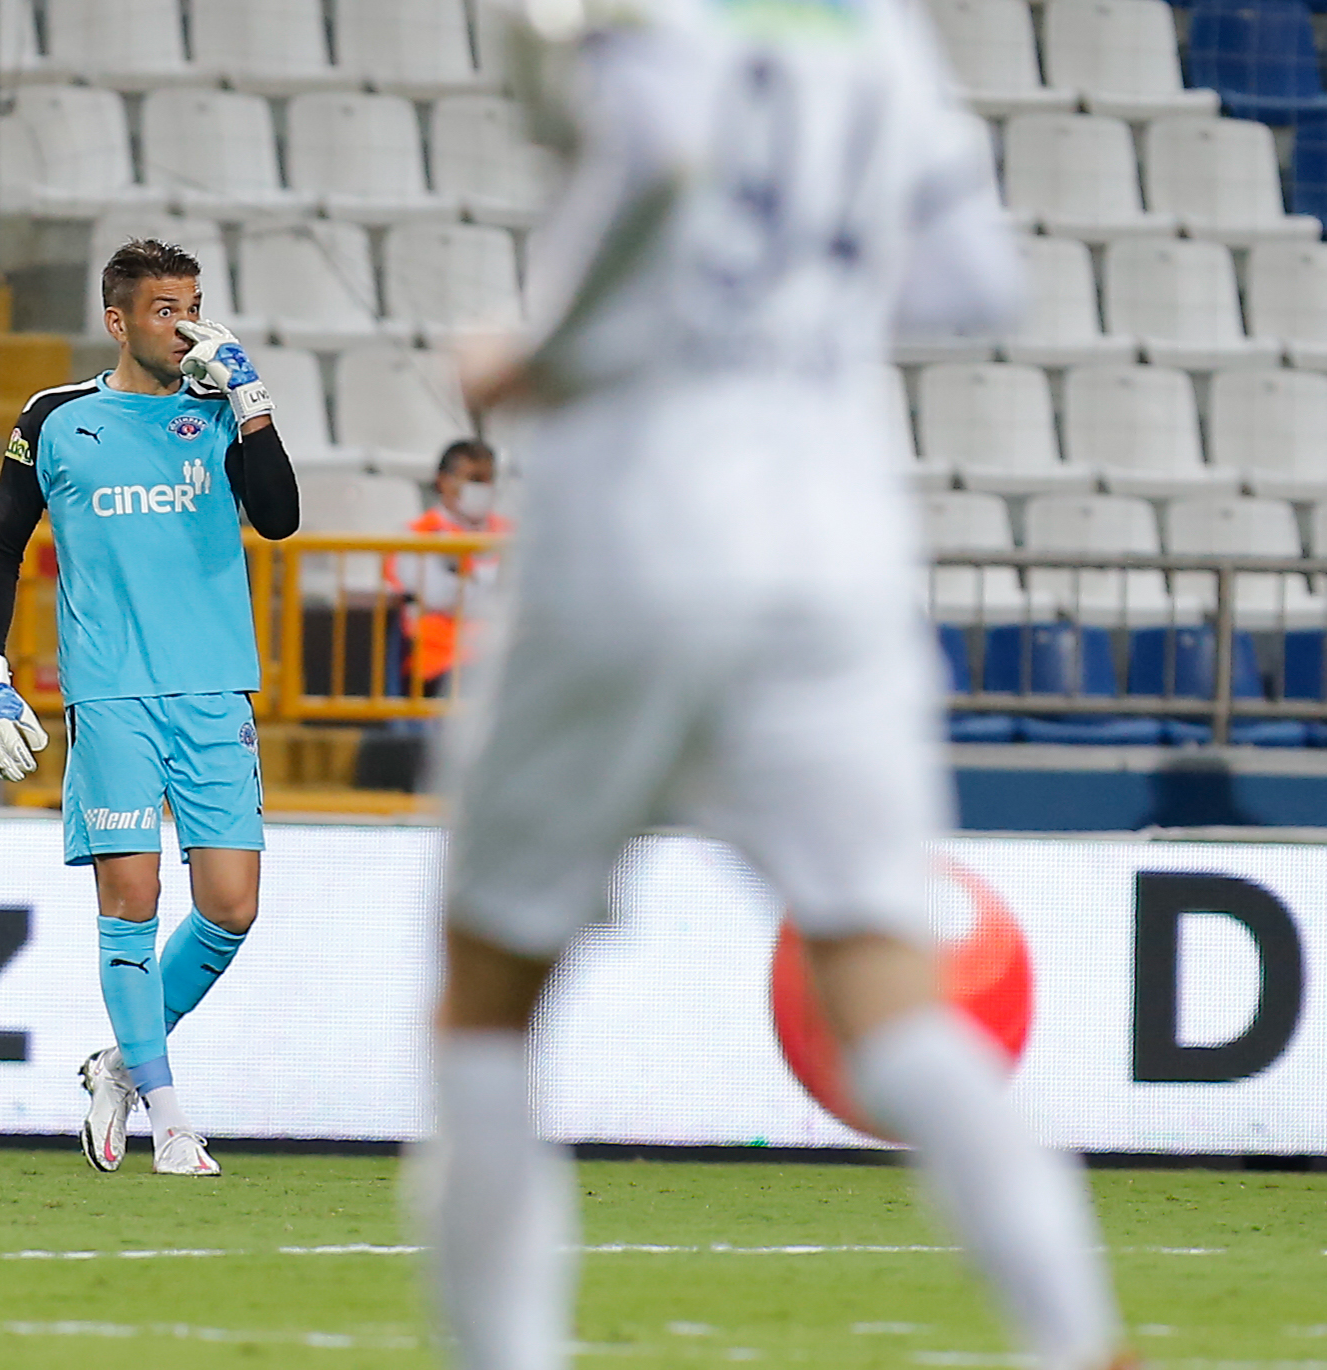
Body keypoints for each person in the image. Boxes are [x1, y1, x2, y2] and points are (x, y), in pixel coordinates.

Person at [423, 2, 1133, 1368]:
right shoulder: (881, 31)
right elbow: (977, 279)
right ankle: (1083, 1342)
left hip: (636, 530)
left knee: (488, 996)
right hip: (836, 554)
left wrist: (543, 350)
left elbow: (661, 153)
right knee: (891, 996)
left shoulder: (652, 17)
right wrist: (806, 313)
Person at [0, 239, 300, 1177]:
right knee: (133, 901)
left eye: (193, 306)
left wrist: (253, 400)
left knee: (231, 906)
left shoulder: (219, 414)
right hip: (110, 694)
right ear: (117, 321)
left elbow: (279, 519)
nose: (186, 327)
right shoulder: (56, 418)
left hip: (214, 690)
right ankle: (171, 1118)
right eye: (165, 310)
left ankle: (118, 1064)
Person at [384, 439, 514, 698]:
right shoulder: (416, 536)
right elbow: (440, 595)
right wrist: (492, 592)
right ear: (444, 481)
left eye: (488, 479)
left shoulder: (512, 533)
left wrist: (476, 586)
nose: (483, 488)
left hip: (503, 661)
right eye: (474, 479)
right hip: (439, 665)